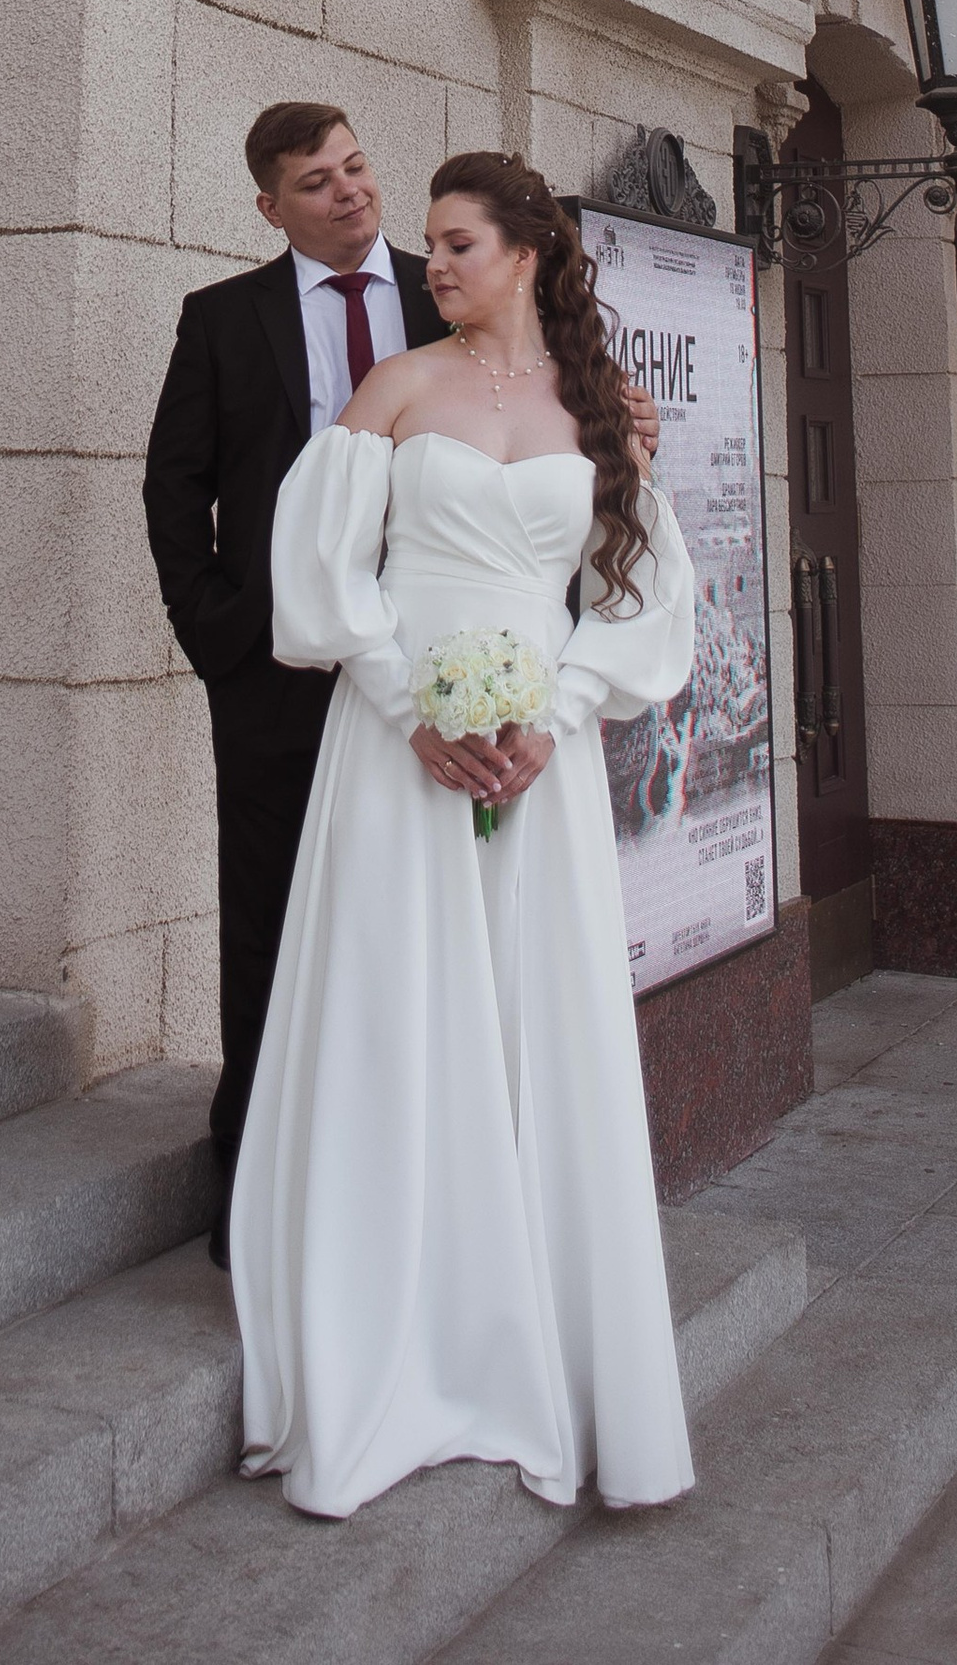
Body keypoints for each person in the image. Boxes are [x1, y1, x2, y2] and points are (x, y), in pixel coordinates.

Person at [227, 152, 697, 1523]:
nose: (432, 262)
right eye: (427, 243)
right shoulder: (397, 387)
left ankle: (533, 1323)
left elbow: (649, 597)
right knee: (399, 1015)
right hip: (396, 751)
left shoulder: (604, 408)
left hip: (537, 759)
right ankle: (398, 1326)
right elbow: (320, 575)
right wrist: (407, 707)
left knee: (532, 1024)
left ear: (531, 247)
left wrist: (550, 713)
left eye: (458, 240)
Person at [142, 104, 446, 1258]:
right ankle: (257, 1192)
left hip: (428, 671)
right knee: (269, 922)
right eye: (316, 182)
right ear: (271, 206)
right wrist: (221, 635)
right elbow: (175, 493)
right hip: (276, 673)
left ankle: (405, 1180)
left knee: (411, 918)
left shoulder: (446, 299)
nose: (351, 191)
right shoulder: (222, 321)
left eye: (358, 164)